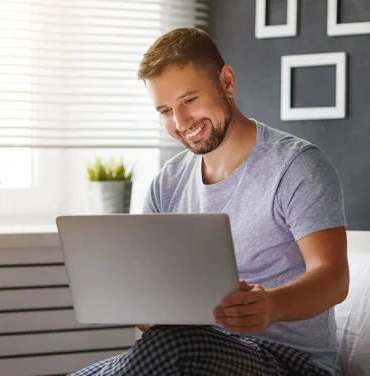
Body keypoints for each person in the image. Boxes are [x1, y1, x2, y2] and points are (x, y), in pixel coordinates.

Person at [70, 28, 349, 376]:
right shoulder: (166, 184)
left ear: (227, 82)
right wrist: (141, 309)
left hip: (292, 363)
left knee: (178, 345)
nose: (180, 122)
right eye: (165, 110)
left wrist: (271, 305)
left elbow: (334, 278)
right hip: (193, 354)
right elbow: (148, 320)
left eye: (188, 100)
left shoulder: (297, 165)